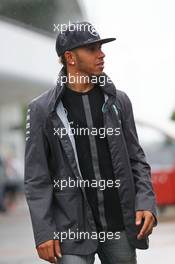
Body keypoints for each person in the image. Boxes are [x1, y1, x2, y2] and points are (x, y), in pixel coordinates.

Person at [24, 22, 157, 264]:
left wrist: (146, 203)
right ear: (70, 57)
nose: (102, 54)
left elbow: (137, 160)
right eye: (92, 49)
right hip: (71, 231)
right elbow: (37, 178)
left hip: (117, 226)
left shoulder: (119, 102)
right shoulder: (42, 110)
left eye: (101, 48)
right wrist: (44, 232)